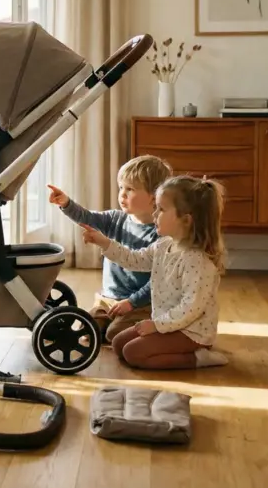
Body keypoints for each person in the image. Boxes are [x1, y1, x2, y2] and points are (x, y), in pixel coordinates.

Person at [79, 175, 230, 369]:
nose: (154, 214)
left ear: (185, 220)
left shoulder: (197, 261)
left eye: (161, 209)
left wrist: (156, 326)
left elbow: (190, 309)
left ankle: (198, 358)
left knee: (133, 354)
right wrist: (103, 242)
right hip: (167, 323)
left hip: (191, 331)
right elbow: (134, 260)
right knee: (118, 343)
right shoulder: (163, 245)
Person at [47, 155, 173, 343]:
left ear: (155, 197)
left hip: (142, 303)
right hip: (108, 301)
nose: (122, 194)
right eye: (121, 187)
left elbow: (158, 281)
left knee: (114, 335)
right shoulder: (115, 219)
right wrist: (66, 203)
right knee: (87, 332)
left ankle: (156, 326)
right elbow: (86, 217)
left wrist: (132, 303)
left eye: (130, 189)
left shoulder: (162, 233)